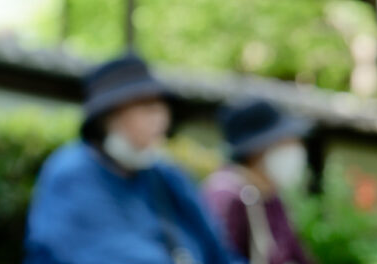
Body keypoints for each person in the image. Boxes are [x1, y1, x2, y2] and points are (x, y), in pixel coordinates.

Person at [25, 54, 238, 264]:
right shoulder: (71, 173)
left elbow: (217, 251)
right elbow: (99, 253)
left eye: (161, 106)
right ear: (109, 117)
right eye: (146, 107)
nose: (161, 118)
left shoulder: (165, 175)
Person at [202, 98, 315, 264]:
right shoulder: (227, 198)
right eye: (286, 142)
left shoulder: (269, 196)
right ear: (258, 150)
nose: (296, 149)